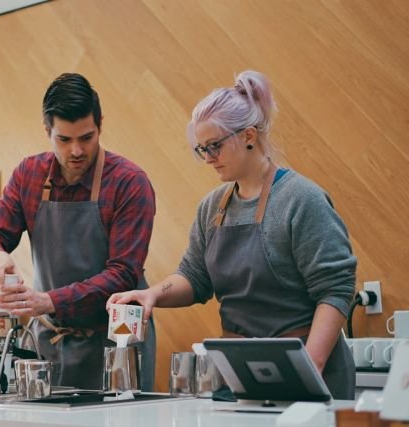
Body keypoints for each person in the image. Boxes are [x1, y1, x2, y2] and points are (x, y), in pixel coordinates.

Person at [107, 70, 357, 399]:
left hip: (309, 373)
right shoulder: (212, 208)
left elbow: (336, 289)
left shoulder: (301, 200)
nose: (208, 158)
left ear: (249, 135)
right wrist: (153, 294)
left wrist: (311, 365)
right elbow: (195, 277)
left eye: (215, 146)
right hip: (242, 373)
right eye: (201, 150)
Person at [0, 73, 157, 391]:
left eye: (86, 138)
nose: (76, 150)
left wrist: (49, 300)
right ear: (47, 130)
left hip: (118, 343)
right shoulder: (29, 175)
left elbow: (123, 274)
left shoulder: (129, 183)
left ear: (100, 124)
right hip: (49, 344)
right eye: (64, 139)